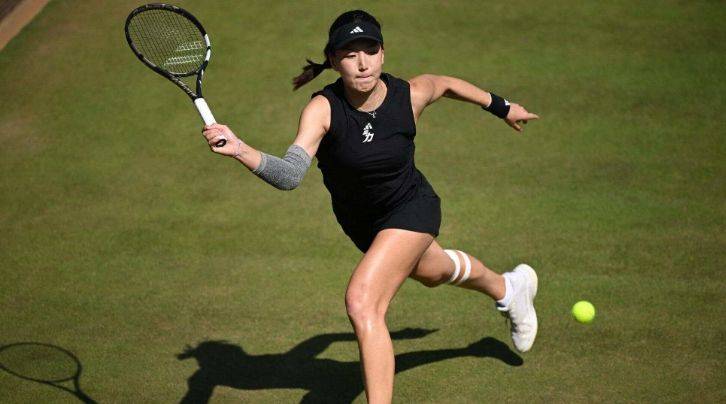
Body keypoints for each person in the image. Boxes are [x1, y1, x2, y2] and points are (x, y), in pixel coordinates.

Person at [201, 9, 540, 404]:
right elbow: (290, 174)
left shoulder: (409, 94)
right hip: (364, 225)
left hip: (412, 207)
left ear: (383, 53)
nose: (362, 63)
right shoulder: (322, 109)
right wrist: (240, 149)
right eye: (350, 54)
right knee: (434, 272)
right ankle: (509, 287)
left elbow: (446, 84)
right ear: (333, 60)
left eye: (370, 50)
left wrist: (502, 106)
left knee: (363, 302)